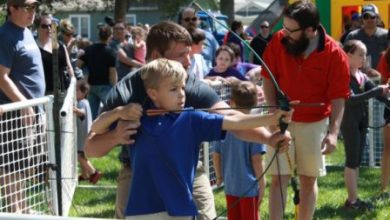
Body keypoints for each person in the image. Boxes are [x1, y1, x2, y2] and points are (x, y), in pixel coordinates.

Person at [84, 21, 291, 220]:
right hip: (138, 171)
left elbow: (230, 118)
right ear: (157, 56)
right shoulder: (126, 91)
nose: (189, 61)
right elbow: (91, 148)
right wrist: (115, 135)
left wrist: (269, 137)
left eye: (189, 53)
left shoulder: (186, 83)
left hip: (185, 168)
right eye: (181, 55)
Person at [261, 1, 350, 219]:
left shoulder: (335, 53)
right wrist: (273, 113)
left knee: (308, 179)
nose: (285, 33)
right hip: (281, 118)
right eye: (284, 27)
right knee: (279, 178)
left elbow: (338, 97)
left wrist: (333, 133)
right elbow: (267, 79)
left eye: (291, 30)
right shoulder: (278, 41)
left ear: (310, 30)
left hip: (314, 121)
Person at [0, 0, 45, 213]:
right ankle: (14, 211)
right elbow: (1, 78)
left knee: (23, 162)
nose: (32, 12)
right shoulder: (5, 35)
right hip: (14, 112)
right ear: (12, 8)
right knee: (11, 163)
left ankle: (23, 208)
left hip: (32, 109)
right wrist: (24, 105)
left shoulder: (26, 31)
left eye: (34, 8)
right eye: (27, 7)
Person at [341, 40, 390, 210]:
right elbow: (351, 99)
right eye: (360, 54)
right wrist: (378, 90)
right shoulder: (342, 75)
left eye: (365, 54)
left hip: (361, 121)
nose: (364, 58)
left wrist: (386, 98)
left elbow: (378, 94)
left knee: (356, 161)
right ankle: (352, 201)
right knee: (351, 160)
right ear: (348, 55)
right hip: (349, 121)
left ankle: (354, 198)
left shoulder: (361, 76)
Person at [213, 81, 266, 220]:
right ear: (255, 103)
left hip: (230, 185)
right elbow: (257, 160)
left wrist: (219, 177)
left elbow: (216, 155)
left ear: (231, 102)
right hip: (249, 187)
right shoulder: (255, 128)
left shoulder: (222, 125)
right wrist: (262, 184)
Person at [76, 25, 117, 120]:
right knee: (111, 113)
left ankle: (91, 133)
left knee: (91, 116)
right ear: (110, 36)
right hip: (105, 86)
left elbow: (78, 64)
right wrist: (115, 87)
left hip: (91, 86)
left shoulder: (89, 49)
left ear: (98, 36)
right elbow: (112, 73)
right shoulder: (111, 52)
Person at [35, 13, 74, 94]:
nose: (49, 28)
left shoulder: (60, 45)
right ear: (37, 28)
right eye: (44, 26)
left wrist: (73, 84)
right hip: (44, 93)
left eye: (50, 25)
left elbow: (69, 68)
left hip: (64, 91)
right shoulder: (34, 47)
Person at [74, 79, 101, 184]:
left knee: (80, 156)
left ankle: (94, 172)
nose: (74, 93)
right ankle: (85, 175)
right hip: (85, 133)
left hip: (83, 134)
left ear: (84, 92)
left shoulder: (81, 103)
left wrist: (74, 110)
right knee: (82, 155)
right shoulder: (85, 101)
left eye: (76, 90)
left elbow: (82, 113)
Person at [344, 4, 388, 70]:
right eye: (366, 16)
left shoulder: (386, 35)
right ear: (362, 19)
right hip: (359, 78)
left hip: (382, 78)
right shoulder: (353, 36)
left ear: (377, 18)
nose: (369, 19)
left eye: (372, 16)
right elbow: (345, 57)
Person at [378, 45, 390, 197]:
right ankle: (384, 189)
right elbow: (383, 82)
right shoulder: (386, 56)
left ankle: (383, 189)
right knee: (388, 147)